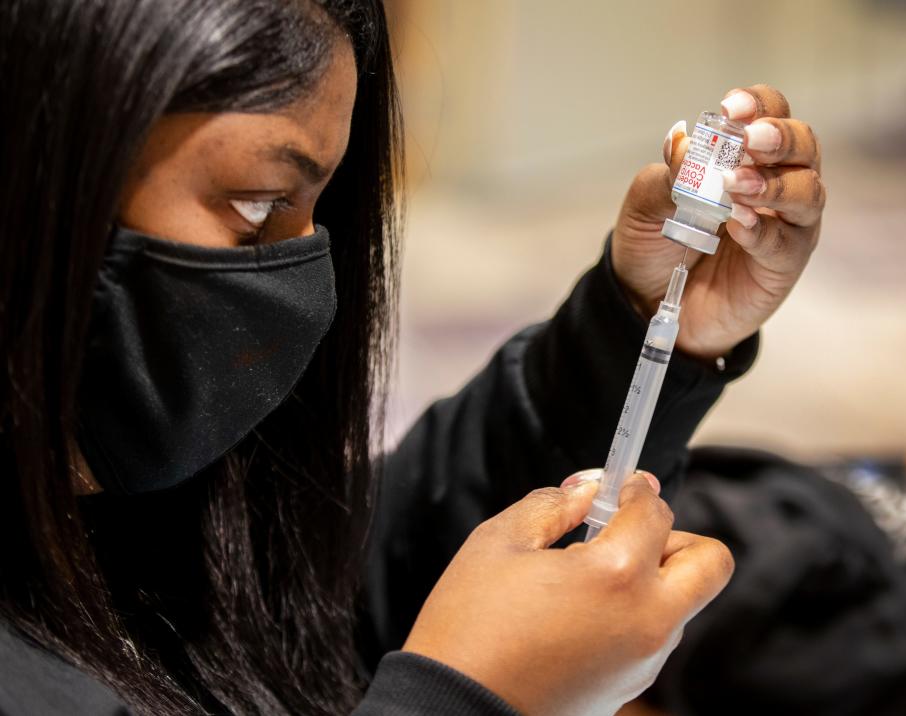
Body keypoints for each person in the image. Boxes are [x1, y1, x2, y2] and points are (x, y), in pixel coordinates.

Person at [0, 1, 825, 714]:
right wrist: (464, 698)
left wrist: (645, 321)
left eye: (321, 209)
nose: (300, 272)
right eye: (256, 205)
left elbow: (335, 577)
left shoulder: (130, 489)